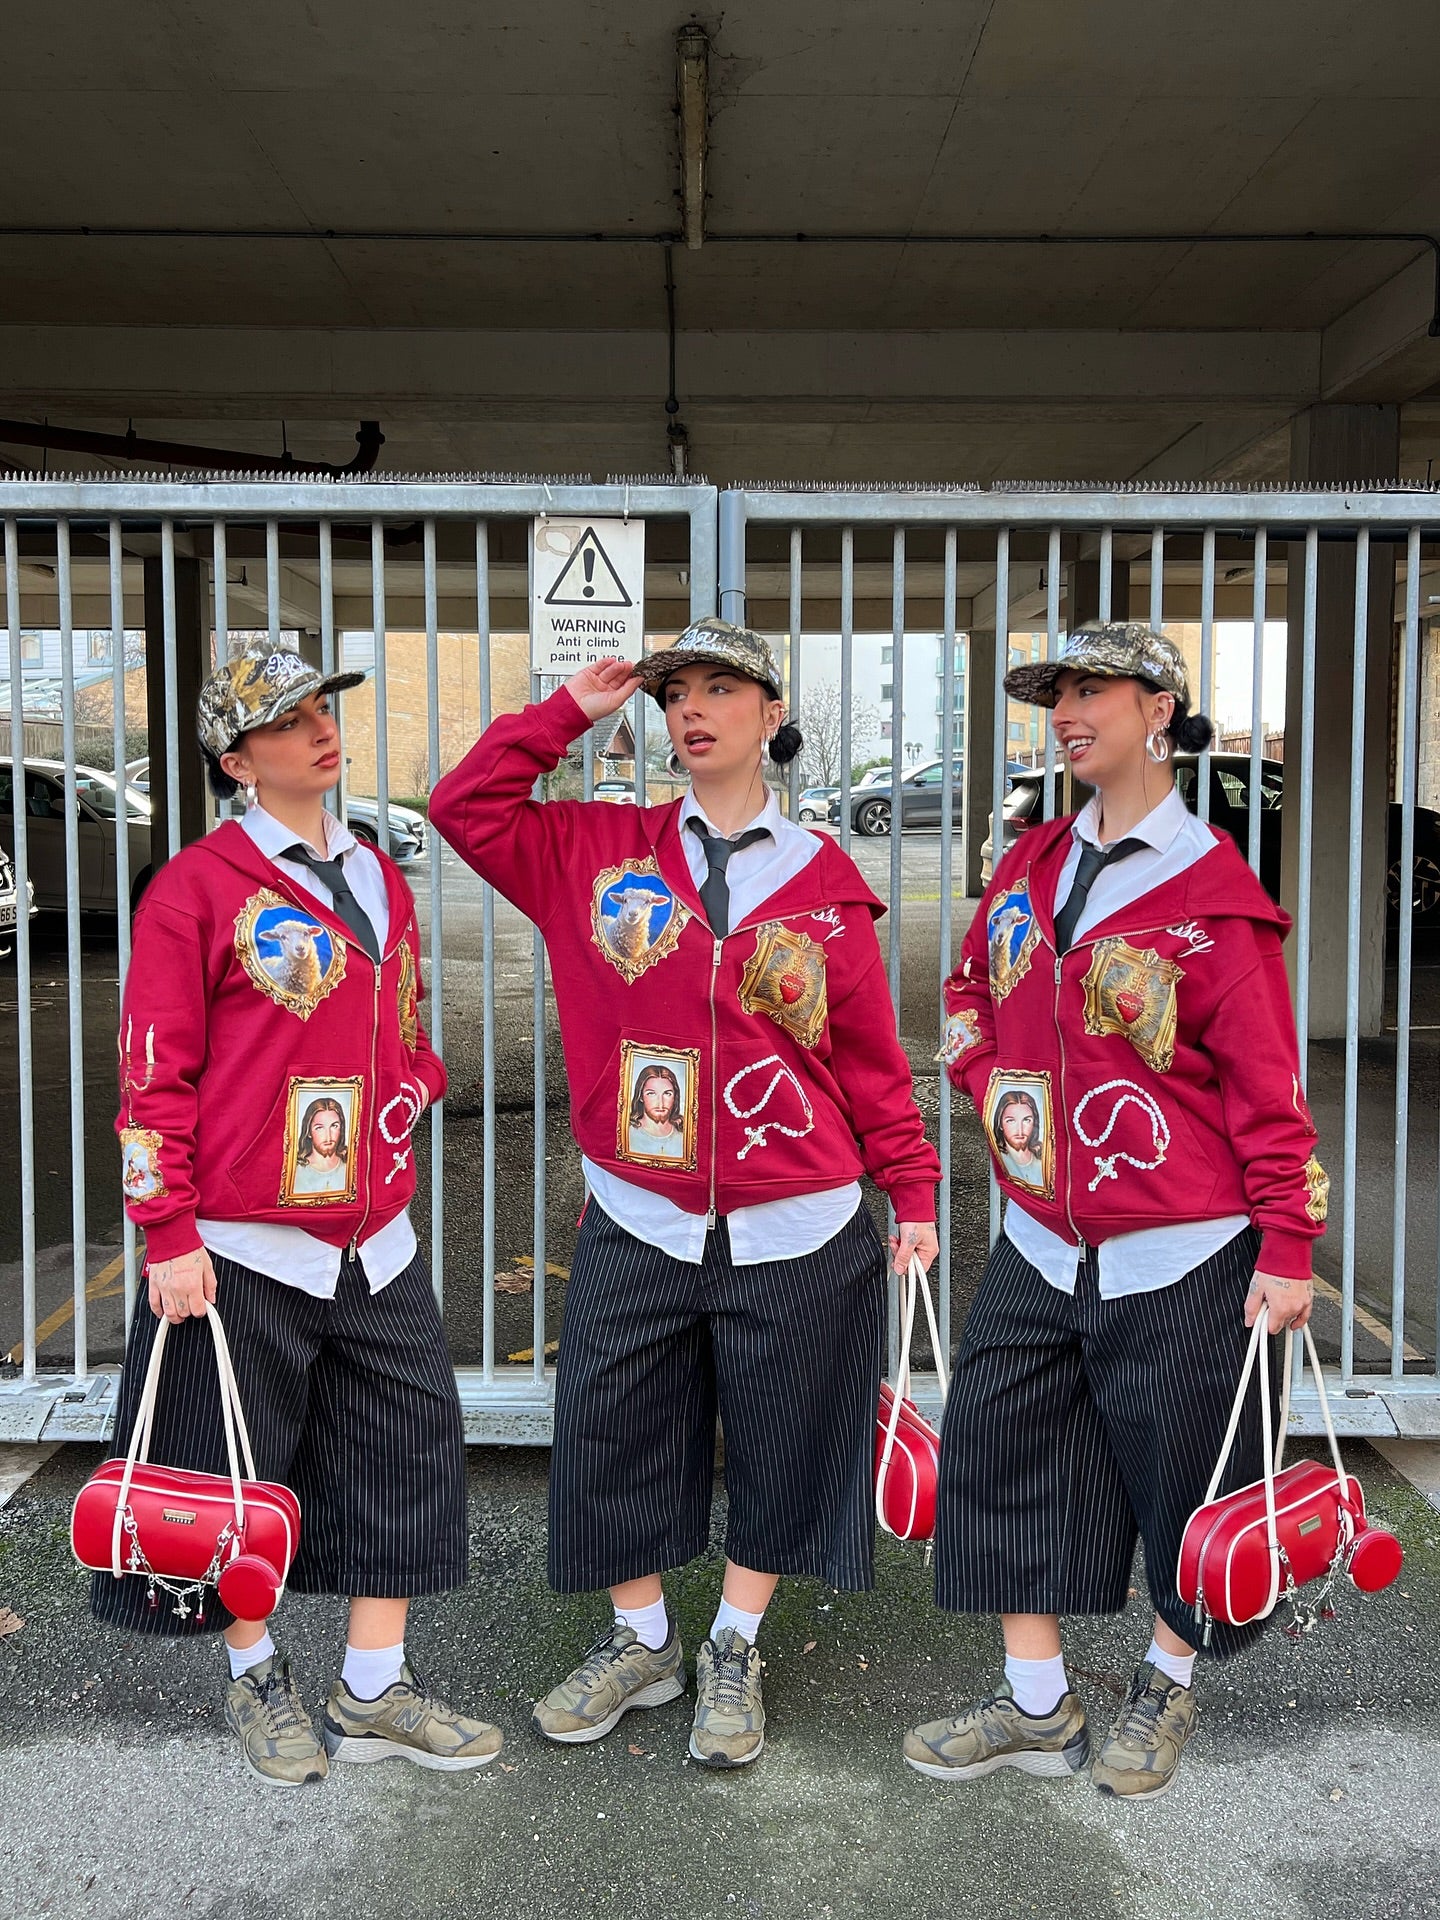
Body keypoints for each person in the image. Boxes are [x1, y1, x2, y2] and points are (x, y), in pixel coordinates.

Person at [430, 616, 940, 1769]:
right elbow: (464, 808)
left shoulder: (826, 881)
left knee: (783, 1439)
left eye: (719, 689)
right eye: (673, 696)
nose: (691, 710)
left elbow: (865, 1057)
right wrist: (571, 710)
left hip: (799, 1223)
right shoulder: (595, 852)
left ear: (771, 715)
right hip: (640, 1216)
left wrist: (910, 1188)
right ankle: (641, 1637)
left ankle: (735, 1645)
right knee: (612, 1430)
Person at [907, 621, 1327, 1802]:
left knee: (1187, 1481)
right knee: (1001, 1451)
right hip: (1043, 1242)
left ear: (1159, 711)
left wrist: (1288, 1246)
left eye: (1096, 689)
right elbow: (966, 991)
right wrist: (993, 1089)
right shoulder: (1031, 862)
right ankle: (1037, 1701)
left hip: (1185, 1250)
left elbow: (1268, 1090)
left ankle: (1164, 1679)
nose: (1070, 711)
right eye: (1059, 693)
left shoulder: (1215, 895)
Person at [101, 638, 501, 1789]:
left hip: (377, 1244)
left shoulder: (377, 872)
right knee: (231, 1470)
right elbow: (150, 1079)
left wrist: (415, 1082)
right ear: (237, 761)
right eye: (286, 719)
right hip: (239, 1249)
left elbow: (409, 1025)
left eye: (323, 706)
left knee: (404, 1458)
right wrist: (168, 1233)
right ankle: (256, 1671)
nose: (321, 728)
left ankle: (373, 1688)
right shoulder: (195, 889)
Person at [627, 1065, 685, 1158]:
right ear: (641, 1096)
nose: (660, 1103)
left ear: (675, 1097)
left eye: (667, 1094)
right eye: (651, 1093)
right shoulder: (627, 1133)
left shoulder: (685, 1136)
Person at [293, 1096, 349, 1193]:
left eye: (334, 1126)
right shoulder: (296, 1171)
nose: (328, 1136)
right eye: (319, 1128)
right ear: (309, 1132)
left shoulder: (351, 1166)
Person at [991, 1089, 1043, 1187]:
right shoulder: (999, 1158)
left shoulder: (1045, 1157)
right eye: (1011, 1121)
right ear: (1000, 1123)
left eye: (1026, 1120)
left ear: (1034, 1122)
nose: (1020, 1130)